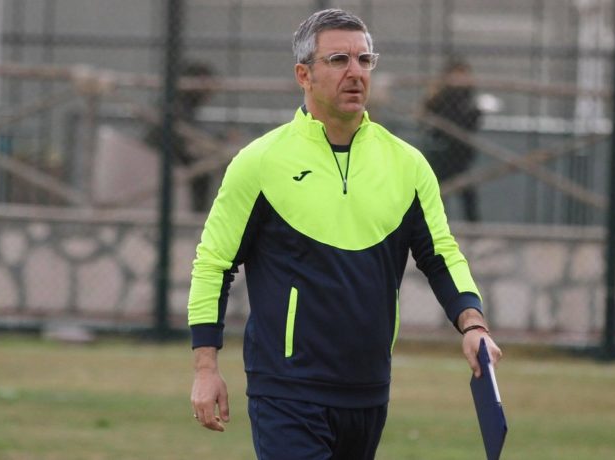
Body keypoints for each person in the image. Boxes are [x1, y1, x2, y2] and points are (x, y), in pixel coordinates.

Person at [188, 8, 502, 460]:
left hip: (368, 390)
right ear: (304, 75)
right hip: (286, 389)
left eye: (364, 60)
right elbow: (213, 263)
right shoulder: (259, 162)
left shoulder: (408, 164)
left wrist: (472, 324)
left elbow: (441, 255)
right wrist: (205, 366)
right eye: (338, 60)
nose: (355, 72)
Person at [145, 61, 215, 212]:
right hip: (162, 159)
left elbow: (190, 137)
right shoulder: (176, 106)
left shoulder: (181, 106)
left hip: (171, 158)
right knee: (201, 172)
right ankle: (196, 215)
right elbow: (183, 141)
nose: (210, 91)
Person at [424, 58, 483, 221]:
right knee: (438, 195)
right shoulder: (440, 96)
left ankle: (473, 229)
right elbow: (428, 116)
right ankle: (437, 229)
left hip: (462, 156)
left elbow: (472, 123)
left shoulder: (468, 98)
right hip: (441, 153)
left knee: (468, 195)